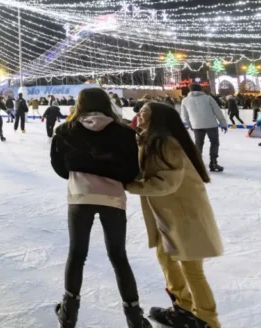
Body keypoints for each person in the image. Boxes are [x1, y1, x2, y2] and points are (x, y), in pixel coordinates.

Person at [50, 88, 149, 328]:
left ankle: (68, 314)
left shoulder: (65, 130)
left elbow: (58, 165)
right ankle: (134, 318)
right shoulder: (125, 133)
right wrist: (113, 177)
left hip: (79, 197)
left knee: (77, 254)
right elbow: (132, 169)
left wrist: (79, 175)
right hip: (112, 198)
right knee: (118, 257)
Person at [127, 102, 223, 328]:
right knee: (166, 258)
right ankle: (182, 307)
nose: (139, 114)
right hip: (167, 214)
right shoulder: (151, 139)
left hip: (185, 213)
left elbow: (166, 182)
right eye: (139, 111)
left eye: (144, 112)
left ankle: (208, 320)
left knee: (192, 270)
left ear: (158, 117)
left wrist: (131, 185)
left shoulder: (166, 143)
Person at [181, 84, 227, 172]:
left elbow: (185, 116)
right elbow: (218, 111)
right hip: (211, 125)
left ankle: (198, 164)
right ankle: (213, 163)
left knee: (198, 144)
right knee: (214, 143)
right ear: (201, 89)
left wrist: (191, 125)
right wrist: (223, 123)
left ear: (189, 90)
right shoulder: (208, 98)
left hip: (197, 126)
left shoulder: (185, 100)